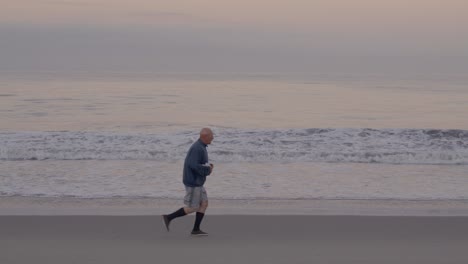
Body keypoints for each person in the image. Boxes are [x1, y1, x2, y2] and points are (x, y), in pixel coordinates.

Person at [162, 128, 214, 236]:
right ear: (204, 137)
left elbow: (197, 164)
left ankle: (196, 229)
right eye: (211, 136)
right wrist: (208, 170)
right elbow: (193, 165)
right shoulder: (197, 148)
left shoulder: (201, 147)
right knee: (193, 207)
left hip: (198, 182)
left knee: (204, 204)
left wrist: (208, 167)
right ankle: (168, 217)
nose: (212, 138)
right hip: (193, 183)